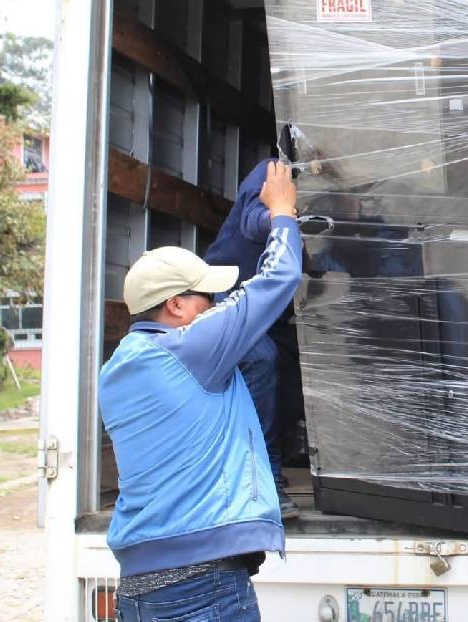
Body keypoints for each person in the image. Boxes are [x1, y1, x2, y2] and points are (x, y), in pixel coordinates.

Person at [99, 162, 301, 621]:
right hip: (201, 585)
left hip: (139, 587)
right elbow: (275, 283)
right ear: (175, 305)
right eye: (205, 297)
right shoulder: (192, 349)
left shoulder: (119, 368)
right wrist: (283, 213)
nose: (216, 305)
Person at [203, 157, 304, 519]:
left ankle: (291, 454)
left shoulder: (353, 195)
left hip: (277, 309)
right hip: (229, 293)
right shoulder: (274, 171)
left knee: (303, 371)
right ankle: (264, 481)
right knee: (260, 357)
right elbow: (252, 221)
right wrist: (283, 214)